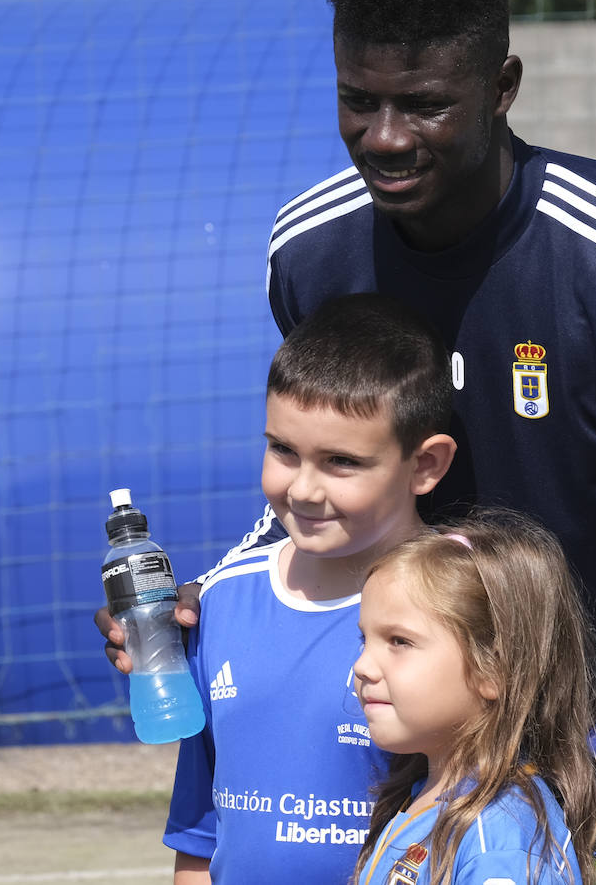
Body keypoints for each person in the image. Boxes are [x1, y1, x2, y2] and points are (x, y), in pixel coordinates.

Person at [100, 0, 596, 885]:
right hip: (433, 758)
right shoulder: (310, 251)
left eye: (424, 104)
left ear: (502, 86)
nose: (385, 136)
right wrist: (221, 593)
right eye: (358, 99)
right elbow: (343, 469)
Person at [165, 292, 457, 883]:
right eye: (283, 450)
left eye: (341, 462)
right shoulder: (218, 604)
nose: (303, 489)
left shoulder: (467, 602)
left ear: (425, 466)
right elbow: (201, 834)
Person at [351, 511, 596, 885]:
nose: (362, 666)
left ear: (494, 669)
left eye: (399, 641)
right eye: (364, 639)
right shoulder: (425, 799)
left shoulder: (501, 836)